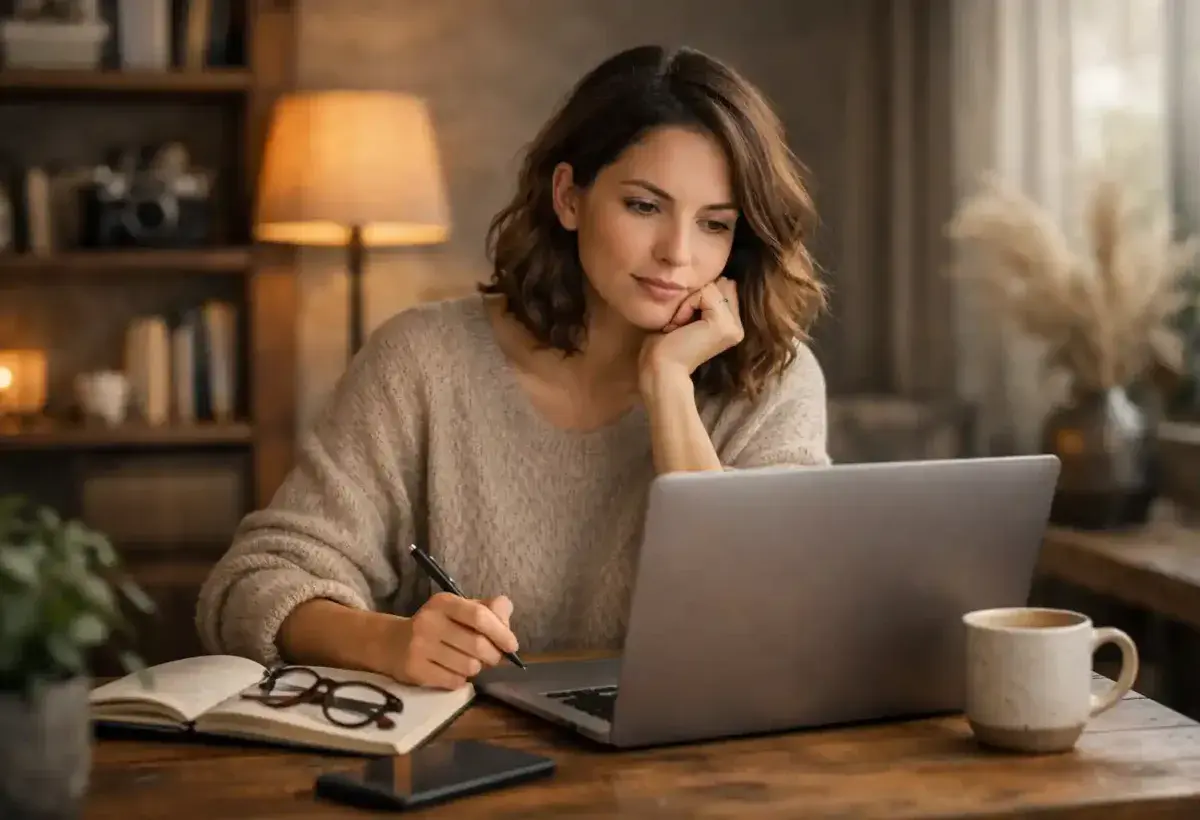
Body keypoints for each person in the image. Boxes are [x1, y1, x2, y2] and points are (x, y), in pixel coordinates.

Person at [196, 44, 830, 691]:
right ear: (568, 197)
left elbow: (762, 622)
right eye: (644, 206)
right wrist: (387, 640)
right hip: (456, 765)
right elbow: (252, 582)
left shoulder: (773, 377)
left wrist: (668, 388)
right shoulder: (422, 360)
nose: (677, 253)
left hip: (694, 767)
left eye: (714, 224)